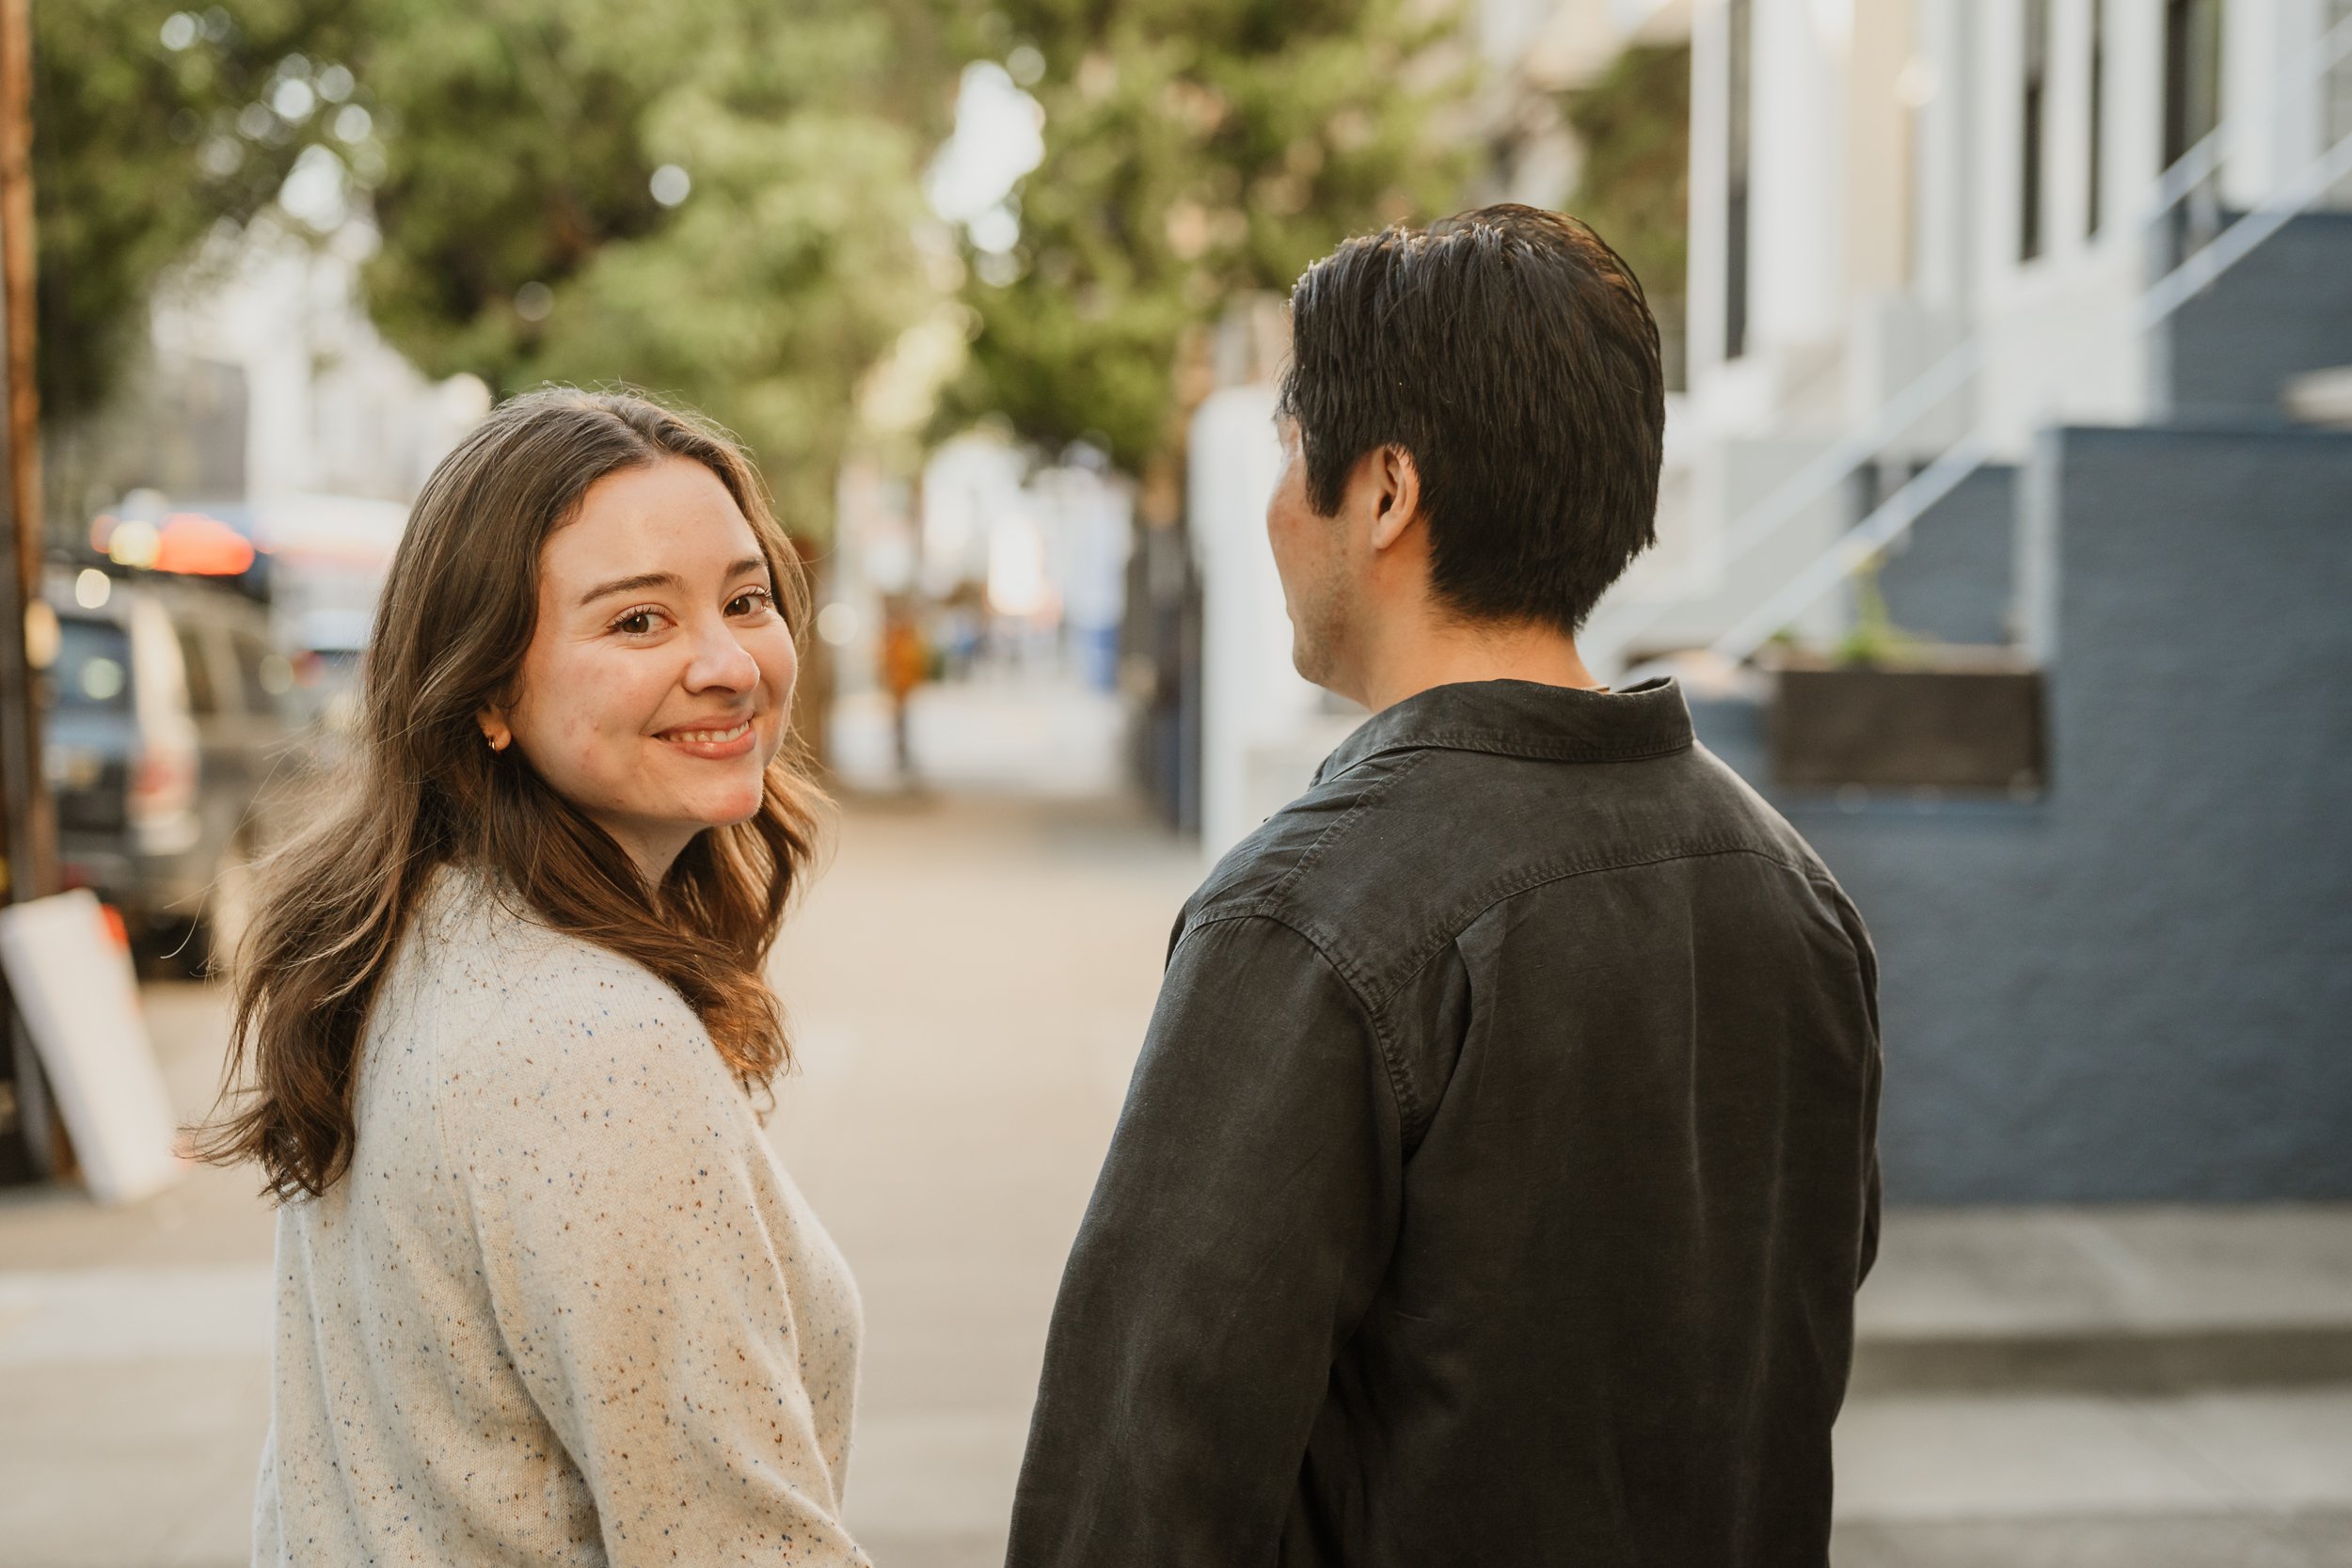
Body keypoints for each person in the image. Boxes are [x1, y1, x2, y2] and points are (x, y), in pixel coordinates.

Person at [1007, 206, 1883, 1566]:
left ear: (1387, 492)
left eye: (1294, 448)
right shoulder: (1796, 895)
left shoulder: (1308, 914)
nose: (1274, 504)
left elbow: (1141, 1483)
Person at [199, 389, 871, 1565]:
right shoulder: (582, 1040)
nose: (726, 663)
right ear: (490, 690)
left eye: (745, 598)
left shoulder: (415, 936)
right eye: (637, 623)